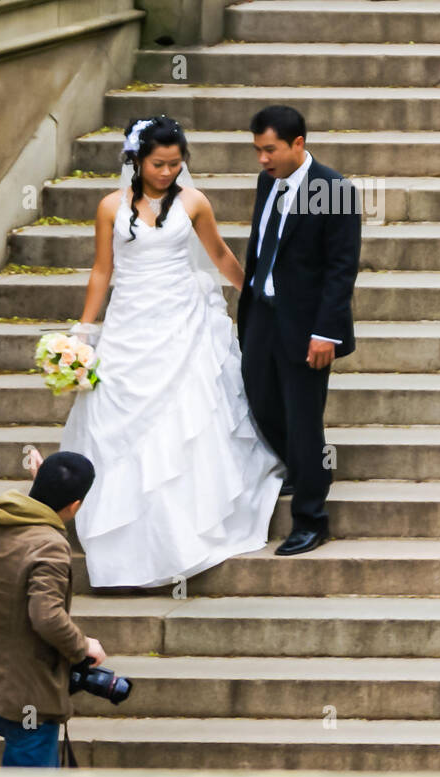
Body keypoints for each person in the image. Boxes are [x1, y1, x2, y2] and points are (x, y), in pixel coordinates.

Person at [60, 115, 283, 587]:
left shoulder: (195, 202)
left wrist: (255, 297)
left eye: (175, 164)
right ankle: (125, 544)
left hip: (183, 320)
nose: (167, 173)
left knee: (187, 419)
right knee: (120, 423)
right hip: (129, 326)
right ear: (137, 161)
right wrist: (84, 328)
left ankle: (187, 525)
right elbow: (103, 270)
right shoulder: (108, 208)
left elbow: (220, 254)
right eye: (159, 164)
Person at [238, 106, 361, 557]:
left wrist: (326, 331)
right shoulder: (266, 183)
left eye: (269, 150)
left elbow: (341, 267)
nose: (262, 159)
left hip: (309, 326)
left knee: (303, 419)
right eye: (257, 150)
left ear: (298, 144)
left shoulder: (334, 190)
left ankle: (311, 519)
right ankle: (303, 466)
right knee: (259, 399)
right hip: (263, 316)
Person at [0, 450, 108, 767]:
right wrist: (83, 645)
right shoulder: (50, 544)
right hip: (24, 692)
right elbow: (46, 615)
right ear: (74, 506)